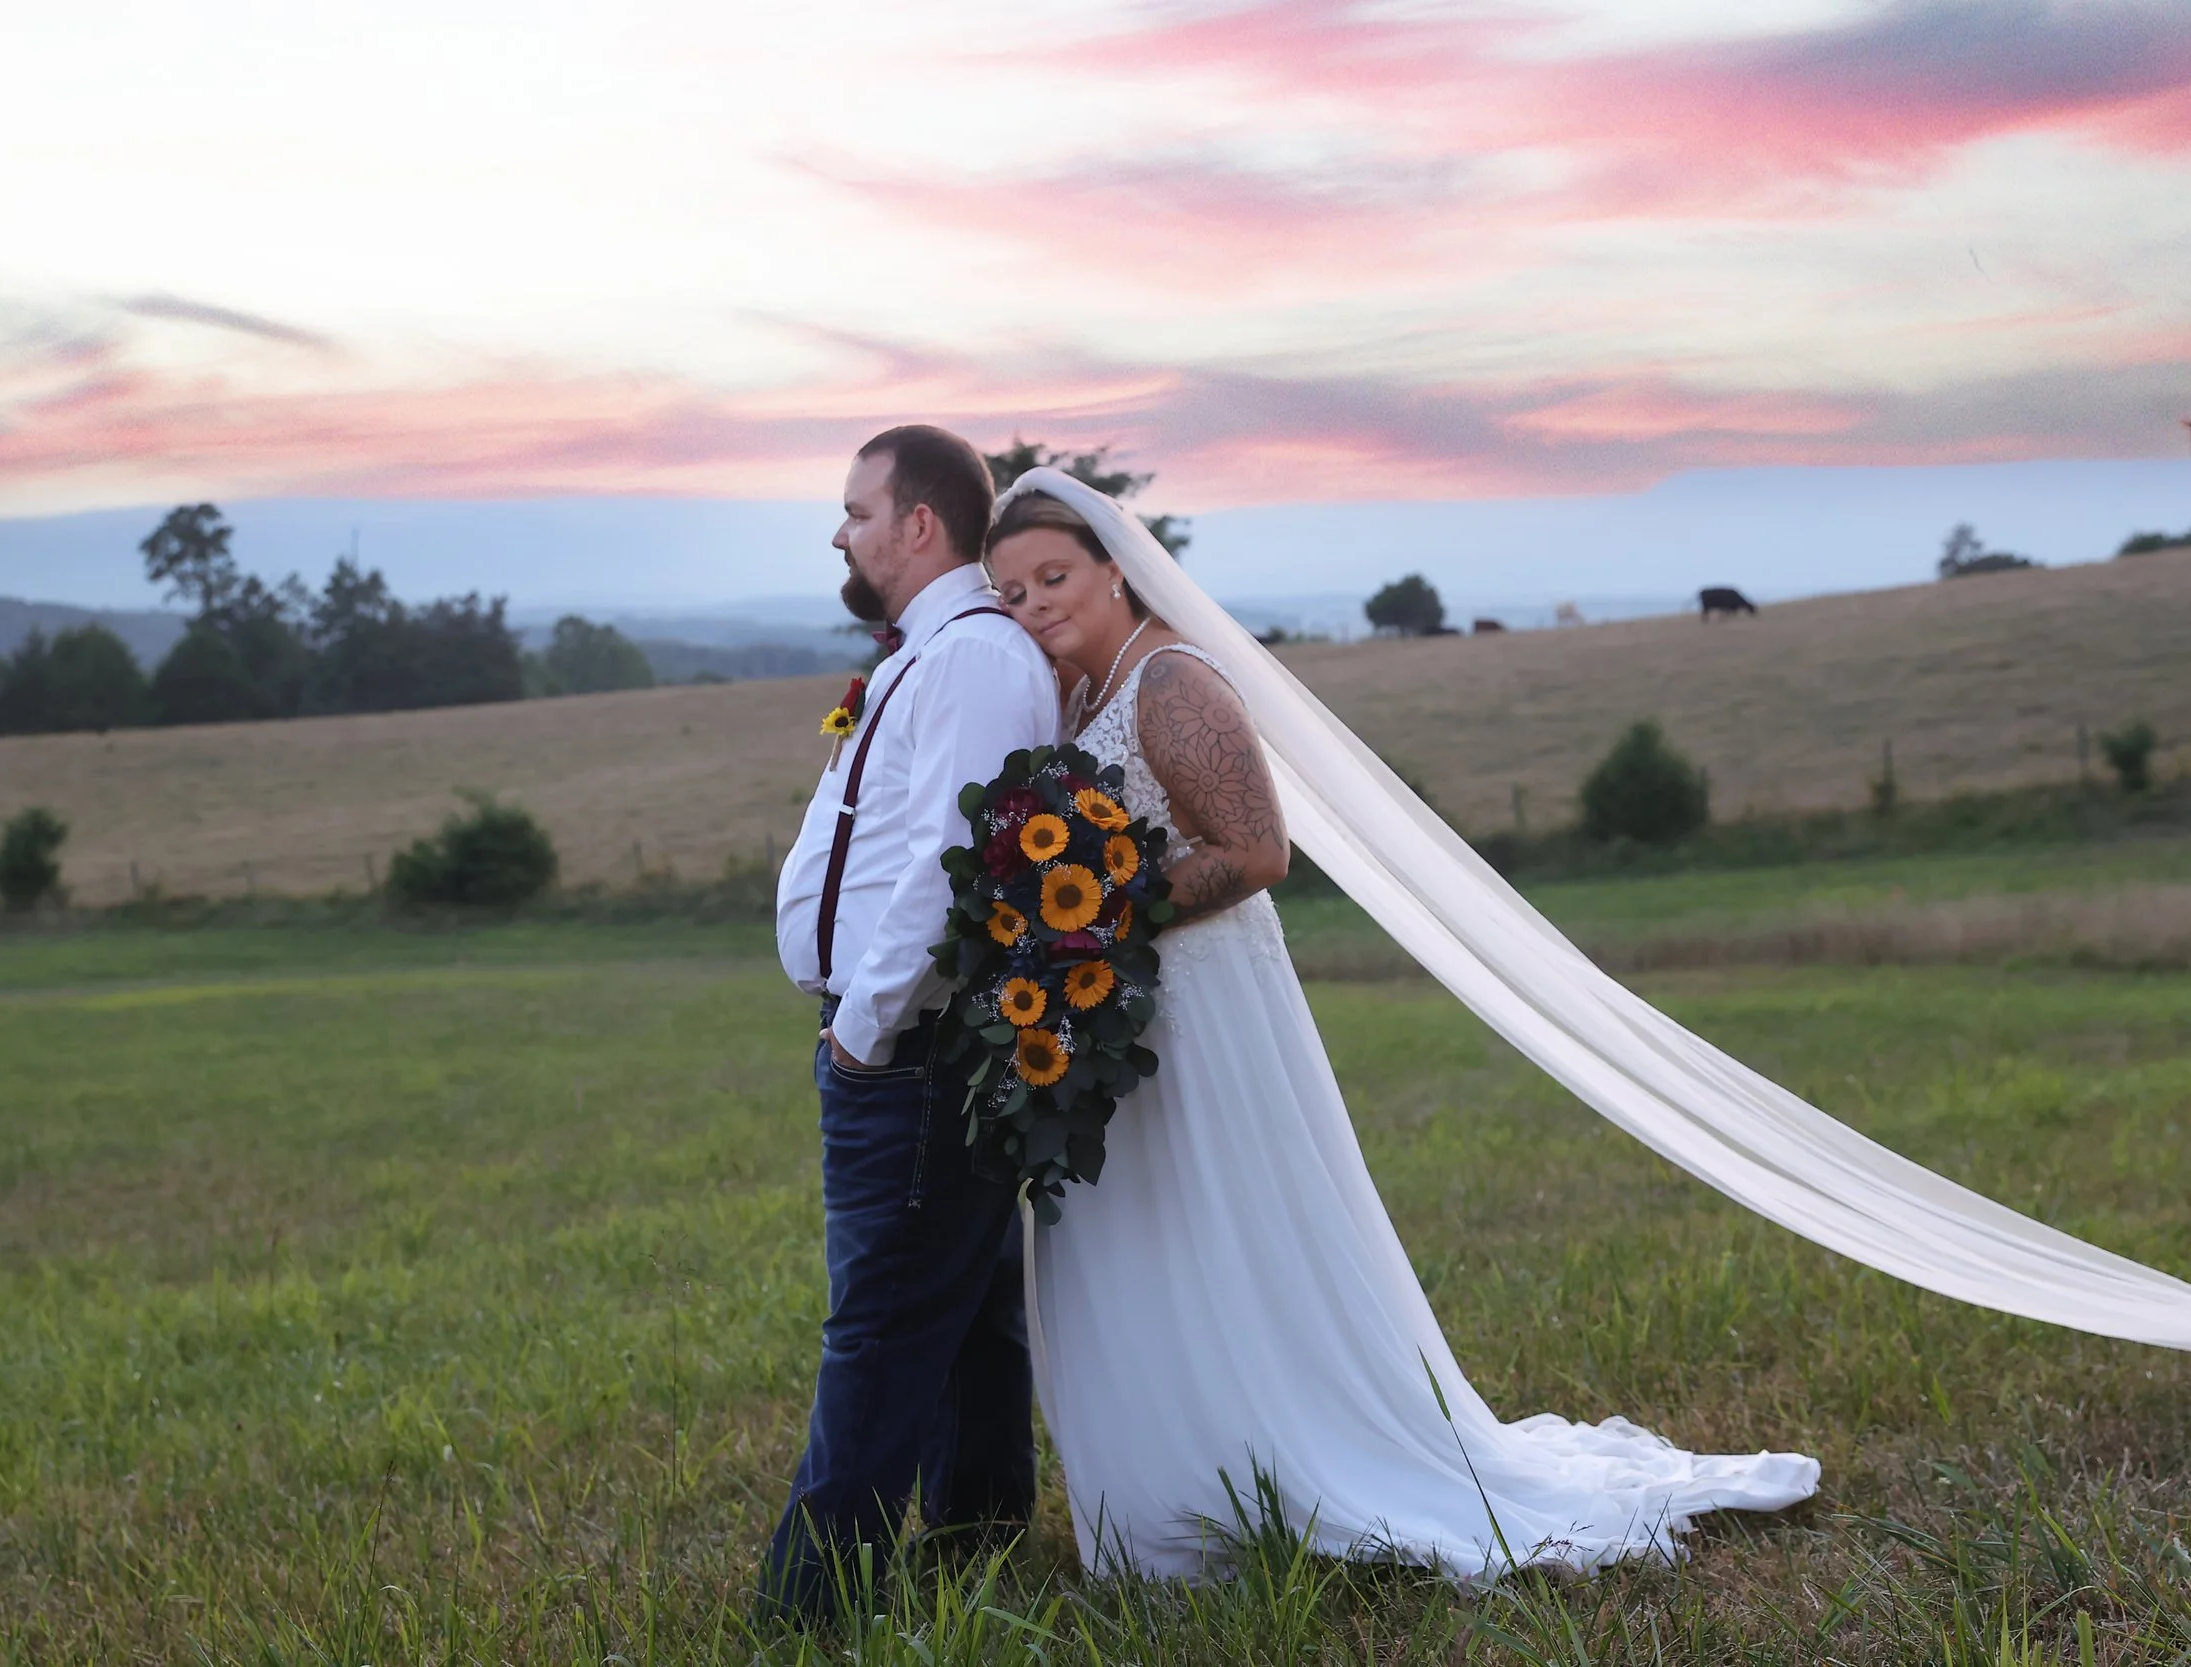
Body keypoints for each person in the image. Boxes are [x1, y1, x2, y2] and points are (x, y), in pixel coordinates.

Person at [984, 480, 1821, 1580]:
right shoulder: (1076, 687)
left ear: (1113, 568)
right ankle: (1177, 1492)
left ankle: (1276, 1468)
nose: (1035, 601)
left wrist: (1095, 914)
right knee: (1138, 1240)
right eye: (1012, 591)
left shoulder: (1171, 678)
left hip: (1199, 1007)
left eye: (1053, 576)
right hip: (1115, 1010)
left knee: (1219, 1230)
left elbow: (1257, 851)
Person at [760, 426, 1061, 1622]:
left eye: (855, 509)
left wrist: (866, 1028)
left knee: (877, 1324)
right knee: (969, 1309)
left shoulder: (975, 659)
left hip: (912, 1049)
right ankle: (977, 1538)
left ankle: (809, 1605)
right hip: (913, 1044)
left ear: (919, 522)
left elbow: (955, 861)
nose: (840, 531)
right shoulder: (925, 656)